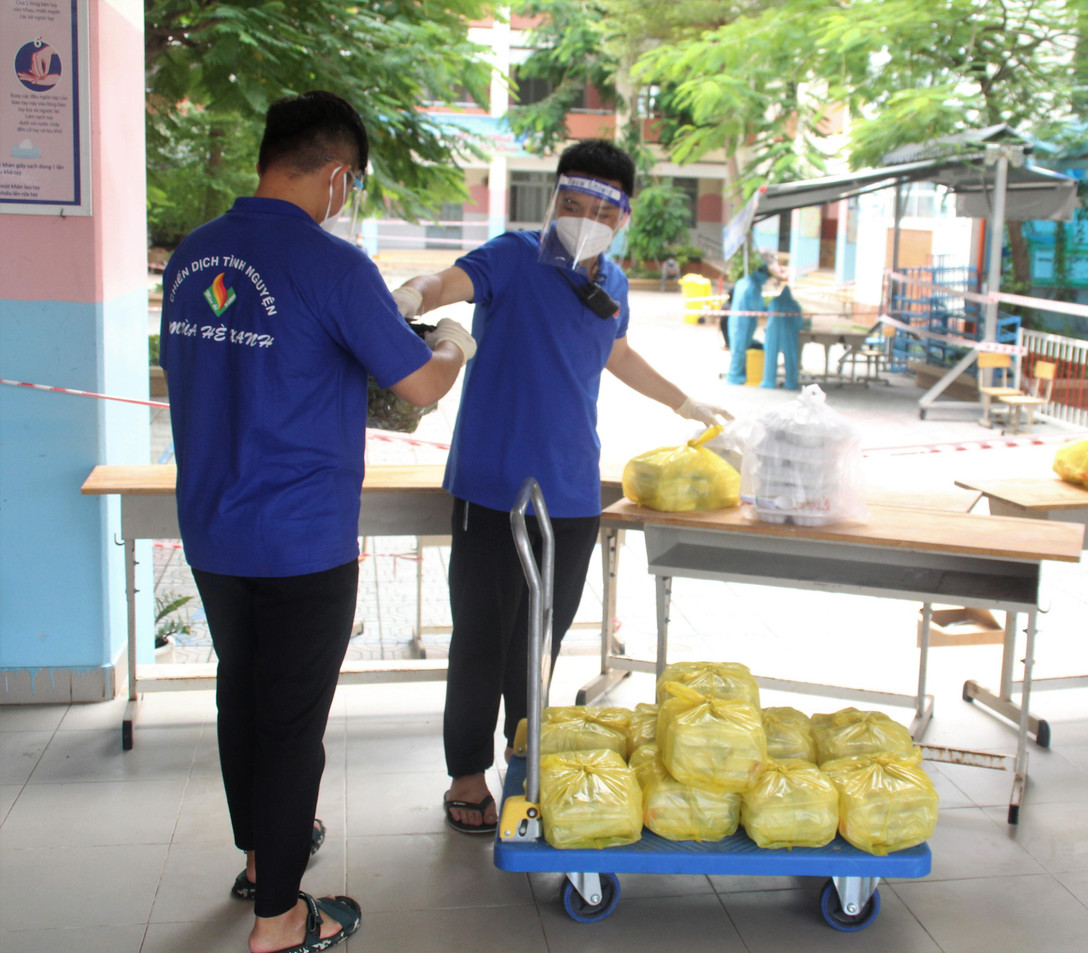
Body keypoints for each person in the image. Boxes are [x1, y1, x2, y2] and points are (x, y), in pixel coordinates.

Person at [160, 90, 470, 953]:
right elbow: (419, 384)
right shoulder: (334, 266)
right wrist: (454, 341)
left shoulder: (191, 256)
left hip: (213, 525)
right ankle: (281, 920)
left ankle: (263, 857)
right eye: (355, 182)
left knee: (241, 691)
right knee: (293, 719)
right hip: (299, 535)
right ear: (338, 174)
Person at [390, 139, 731, 833]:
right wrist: (411, 294)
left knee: (540, 637)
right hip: (493, 487)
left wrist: (682, 402)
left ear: (623, 217)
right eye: (569, 203)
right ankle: (466, 774)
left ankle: (527, 755)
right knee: (481, 635)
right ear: (553, 200)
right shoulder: (513, 257)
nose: (582, 219)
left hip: (571, 494)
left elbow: (617, 352)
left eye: (599, 211)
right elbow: (446, 282)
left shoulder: (615, 284)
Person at [725, 261, 774, 384]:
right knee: (740, 350)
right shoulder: (754, 286)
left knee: (736, 349)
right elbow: (756, 306)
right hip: (744, 322)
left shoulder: (743, 281)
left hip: (736, 319)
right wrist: (769, 309)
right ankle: (734, 376)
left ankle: (736, 374)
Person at [760, 279, 803, 389]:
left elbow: (768, 314)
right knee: (790, 357)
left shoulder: (774, 302)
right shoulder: (793, 304)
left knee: (770, 357)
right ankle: (791, 382)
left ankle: (769, 381)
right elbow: (799, 322)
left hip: (773, 332)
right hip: (788, 333)